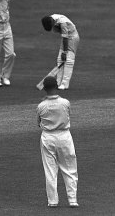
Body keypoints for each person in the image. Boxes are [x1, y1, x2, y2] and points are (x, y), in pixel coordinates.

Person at [36, 76, 79, 208]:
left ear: (44, 89)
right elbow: (68, 115)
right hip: (64, 136)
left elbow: (38, 123)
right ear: (56, 86)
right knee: (70, 169)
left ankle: (53, 201)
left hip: (48, 137)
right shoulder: (65, 102)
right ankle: (72, 200)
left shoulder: (41, 106)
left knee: (50, 170)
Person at [41, 14, 80, 90]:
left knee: (69, 61)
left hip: (72, 38)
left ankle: (65, 84)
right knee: (60, 60)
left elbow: (65, 38)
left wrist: (65, 52)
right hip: (65, 38)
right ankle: (58, 82)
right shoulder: (51, 19)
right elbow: (63, 36)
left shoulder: (62, 23)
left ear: (52, 21)